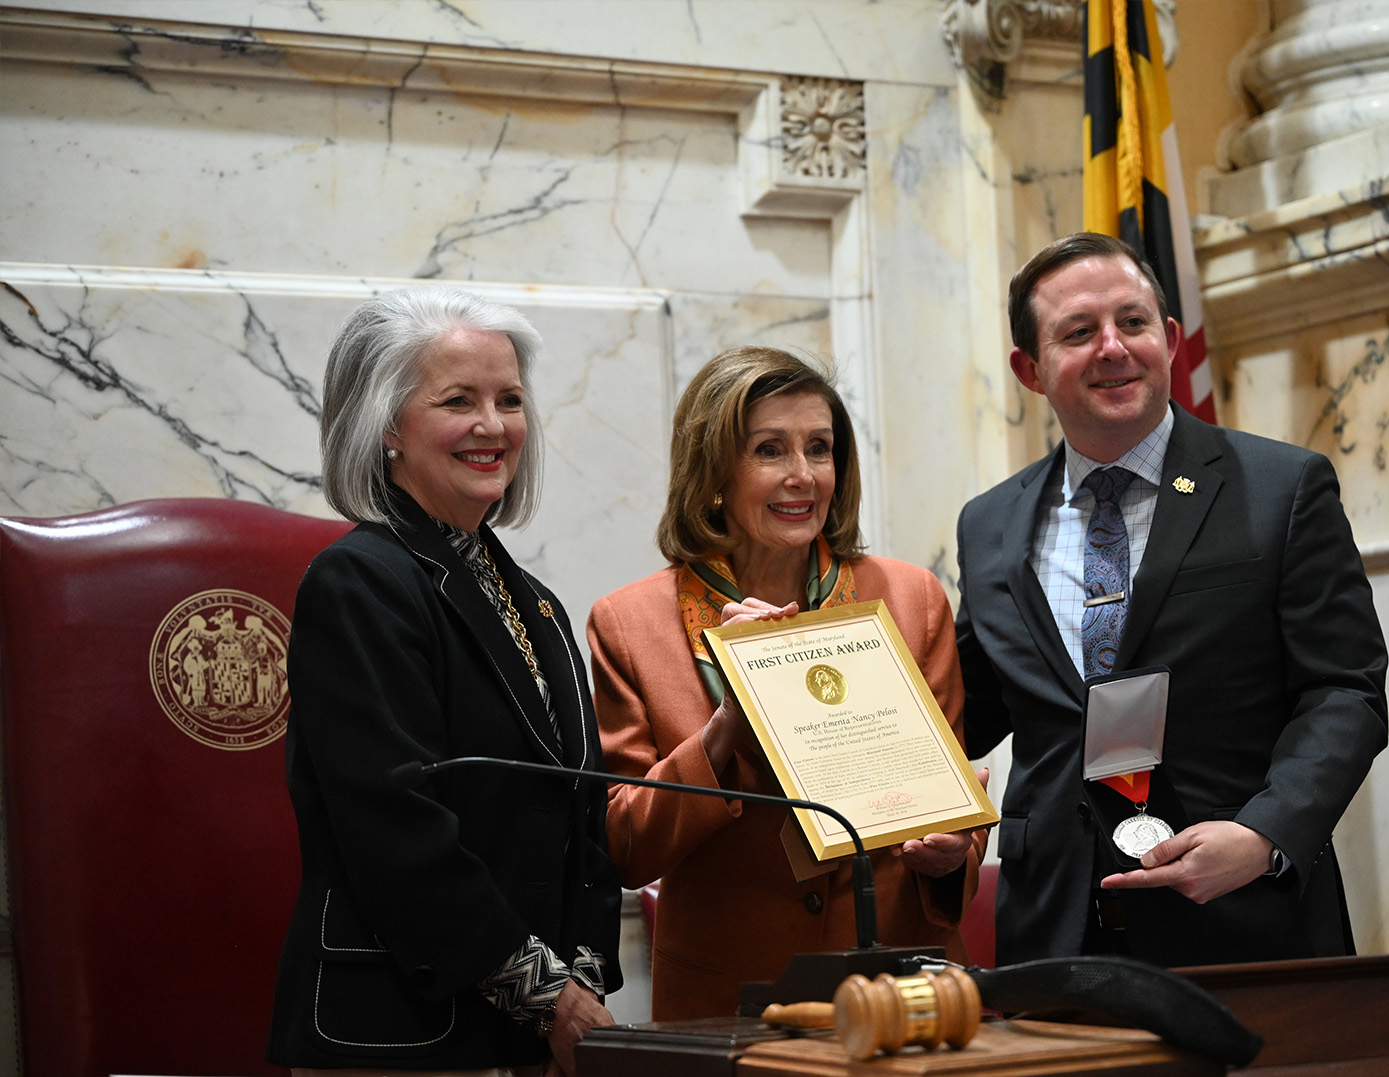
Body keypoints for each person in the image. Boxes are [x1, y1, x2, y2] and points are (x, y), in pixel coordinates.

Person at [956, 233, 1388, 968]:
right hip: (1056, 934)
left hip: (1242, 916)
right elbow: (969, 707)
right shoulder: (989, 523)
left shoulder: (1281, 488)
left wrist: (1264, 834)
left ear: (1170, 338)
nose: (1112, 348)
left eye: (1132, 322)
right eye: (1078, 331)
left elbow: (1343, 689)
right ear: (1029, 369)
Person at [266, 288, 621, 1075]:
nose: (492, 425)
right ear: (387, 425)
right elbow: (394, 828)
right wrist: (550, 995)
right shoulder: (357, 581)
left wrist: (583, 986)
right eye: (458, 400)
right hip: (400, 1033)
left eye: (510, 400)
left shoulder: (536, 601)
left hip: (531, 1036)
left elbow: (583, 816)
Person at [588, 346, 987, 1020]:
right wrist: (720, 736)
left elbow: (951, 801)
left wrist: (956, 852)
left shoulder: (911, 597)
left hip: (900, 983)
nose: (803, 475)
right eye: (769, 450)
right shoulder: (629, 623)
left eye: (820, 448)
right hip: (732, 996)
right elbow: (622, 846)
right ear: (714, 471)